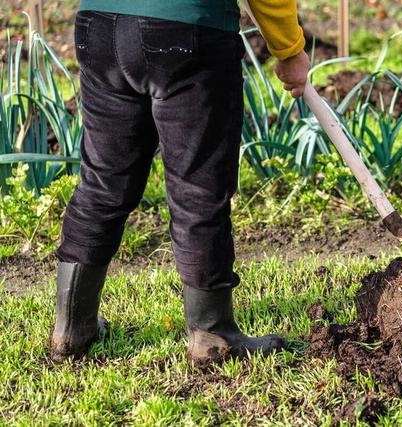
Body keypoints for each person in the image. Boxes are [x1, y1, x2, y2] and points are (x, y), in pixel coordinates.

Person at [48, 0, 311, 365]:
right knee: (198, 188)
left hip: (101, 26)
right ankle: (212, 335)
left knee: (102, 181)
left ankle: (71, 329)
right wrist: (289, 49)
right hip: (188, 30)